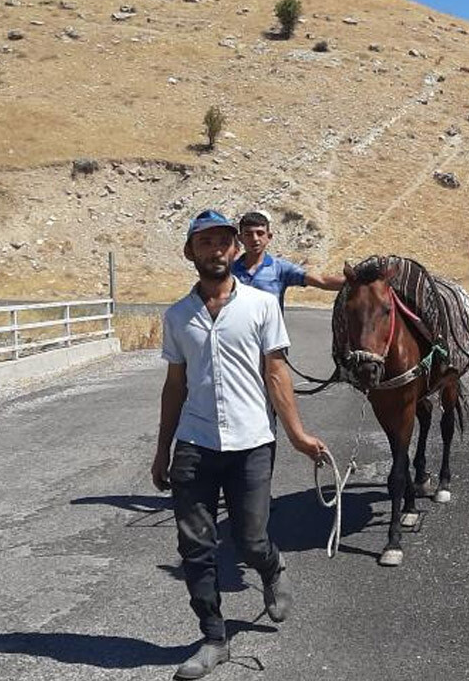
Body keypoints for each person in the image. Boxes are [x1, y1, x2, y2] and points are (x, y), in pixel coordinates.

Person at [152, 209, 328, 680]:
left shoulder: (261, 307)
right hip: (195, 443)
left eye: (221, 242)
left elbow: (276, 372)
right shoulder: (177, 316)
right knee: (195, 547)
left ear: (234, 249)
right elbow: (175, 385)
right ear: (191, 253)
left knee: (249, 539)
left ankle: (271, 568)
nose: (214, 250)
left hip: (251, 441)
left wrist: (297, 434)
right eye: (203, 243)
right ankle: (213, 637)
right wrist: (162, 448)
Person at [231, 210, 344, 306]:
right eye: (248, 234)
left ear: (269, 237)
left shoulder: (281, 269)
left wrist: (356, 280)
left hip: (270, 332)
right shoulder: (229, 271)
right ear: (240, 238)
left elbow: (322, 281)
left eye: (260, 233)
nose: (255, 239)